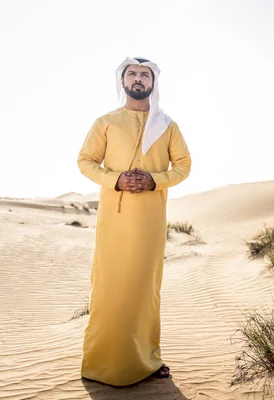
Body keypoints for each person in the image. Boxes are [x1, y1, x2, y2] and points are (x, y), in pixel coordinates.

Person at [77, 56, 192, 386]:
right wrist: (115, 179)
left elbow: (183, 166)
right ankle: (100, 363)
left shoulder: (168, 125)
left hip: (150, 221)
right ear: (123, 81)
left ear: (153, 83)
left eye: (144, 74)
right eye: (132, 74)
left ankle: (146, 360)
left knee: (144, 290)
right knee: (110, 288)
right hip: (114, 219)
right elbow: (85, 161)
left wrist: (155, 180)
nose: (138, 79)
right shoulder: (106, 122)